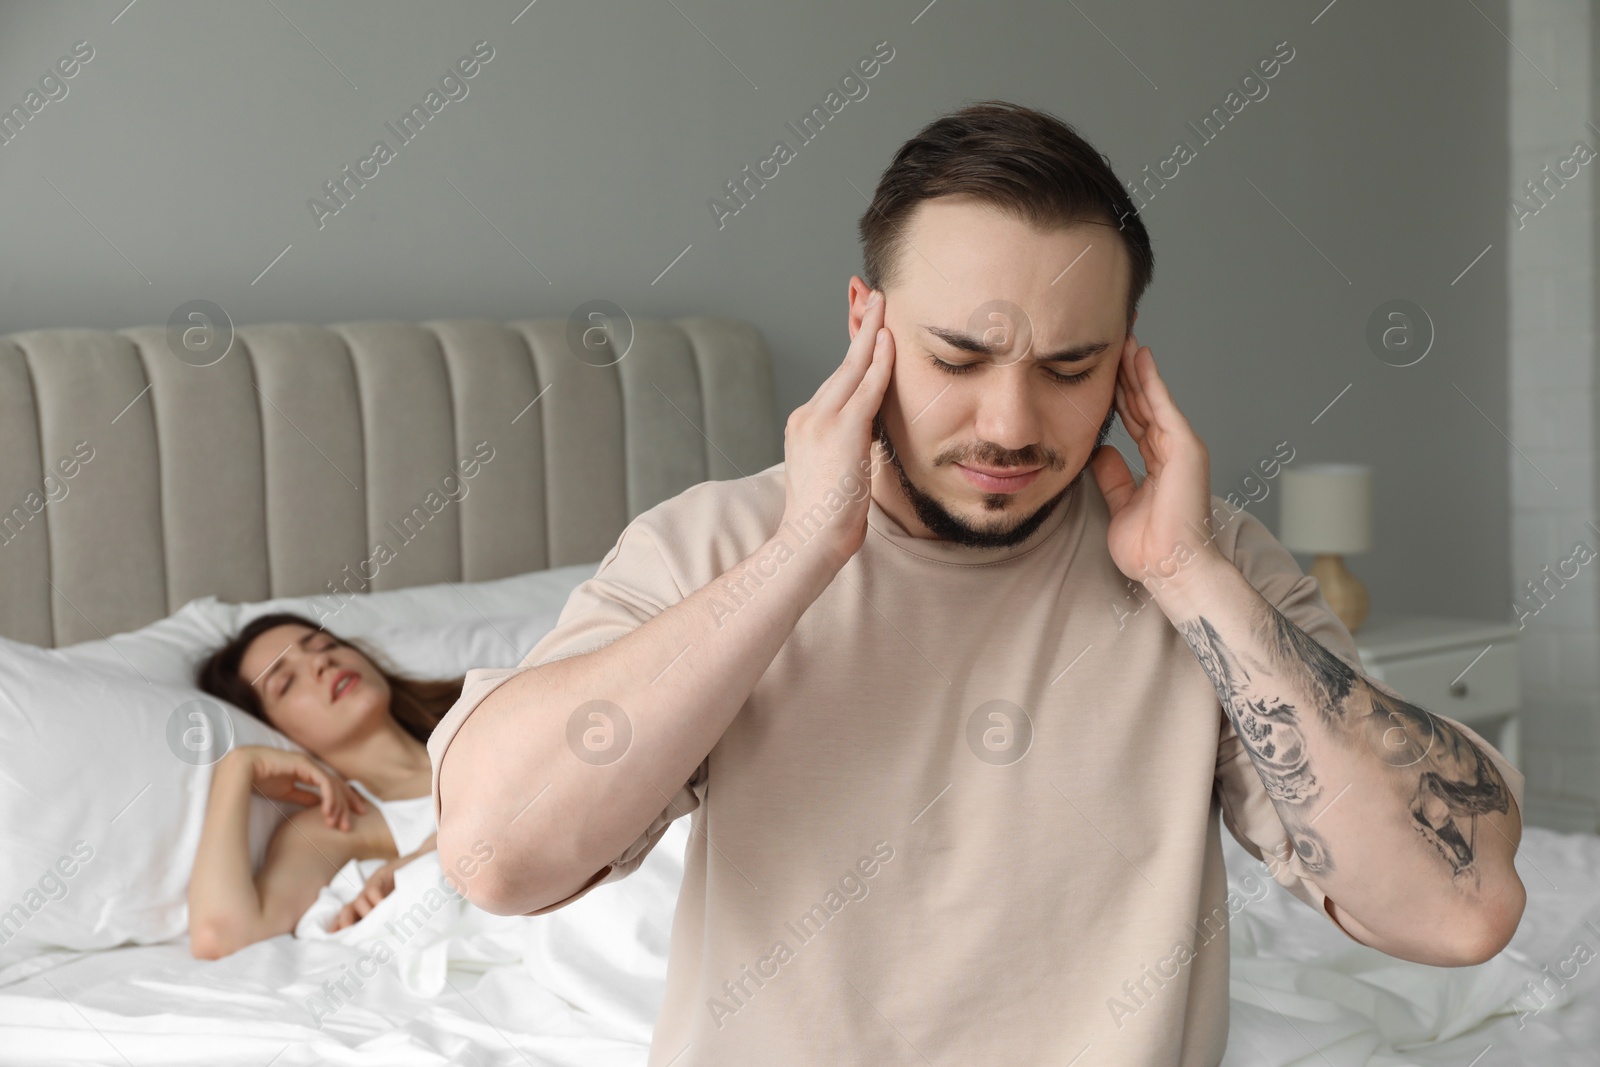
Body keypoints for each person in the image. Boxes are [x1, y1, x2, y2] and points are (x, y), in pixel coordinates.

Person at [430, 100, 1528, 1064]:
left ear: (1126, 356)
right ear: (866, 324)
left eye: (1067, 368)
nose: (1008, 425)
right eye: (957, 358)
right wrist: (800, 552)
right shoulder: (715, 544)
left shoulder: (1209, 562)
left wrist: (1189, 577)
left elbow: (1460, 908)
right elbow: (494, 855)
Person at [187, 612, 457, 959]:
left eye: (325, 645)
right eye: (285, 683)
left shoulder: (481, 706)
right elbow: (221, 937)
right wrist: (237, 767)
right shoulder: (340, 822)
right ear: (274, 729)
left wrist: (426, 854)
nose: (320, 661)